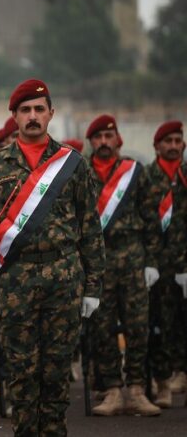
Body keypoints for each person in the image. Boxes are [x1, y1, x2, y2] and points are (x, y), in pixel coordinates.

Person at [0, 79, 105, 436]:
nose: (33, 116)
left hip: (63, 279)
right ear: (14, 116)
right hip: (16, 283)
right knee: (21, 374)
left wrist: (93, 287)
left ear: (51, 114)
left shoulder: (72, 164)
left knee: (56, 374)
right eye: (25, 110)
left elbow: (90, 229)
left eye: (39, 109)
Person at [83, 114, 161, 417]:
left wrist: (151, 262)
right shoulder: (81, 173)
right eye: (98, 137)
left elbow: (151, 219)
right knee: (102, 328)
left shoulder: (134, 172)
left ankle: (137, 389)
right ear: (91, 142)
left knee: (137, 326)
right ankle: (112, 390)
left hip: (132, 259)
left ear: (118, 139)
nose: (104, 142)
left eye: (108, 136)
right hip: (97, 261)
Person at [145, 120, 187, 408]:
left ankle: (183, 372)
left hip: (185, 262)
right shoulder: (147, 177)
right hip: (158, 264)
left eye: (177, 141)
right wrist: (149, 262)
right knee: (159, 323)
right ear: (157, 145)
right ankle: (162, 381)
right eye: (167, 141)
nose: (173, 146)